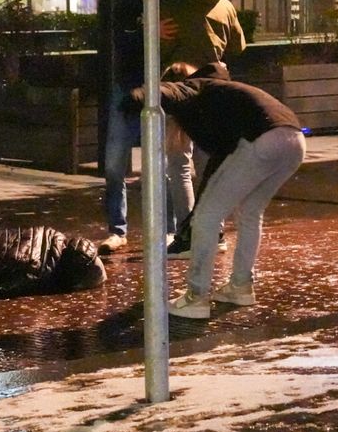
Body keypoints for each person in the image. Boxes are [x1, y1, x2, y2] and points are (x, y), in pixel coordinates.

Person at [125, 62, 306, 320]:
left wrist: (134, 98)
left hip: (262, 139)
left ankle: (196, 297)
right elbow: (220, 161)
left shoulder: (196, 88)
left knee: (206, 219)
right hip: (294, 139)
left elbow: (168, 92)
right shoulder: (221, 94)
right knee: (249, 212)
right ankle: (241, 286)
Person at [159, 0, 246, 257]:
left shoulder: (168, 5)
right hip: (216, 86)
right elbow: (239, 46)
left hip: (180, 85)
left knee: (179, 163)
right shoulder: (223, 4)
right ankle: (214, 229)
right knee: (209, 163)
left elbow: (155, 45)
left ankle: (187, 234)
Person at [97, 0, 171, 255]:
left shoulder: (170, 4)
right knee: (114, 163)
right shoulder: (126, 5)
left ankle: (168, 228)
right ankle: (118, 229)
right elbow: (123, 41)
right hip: (127, 88)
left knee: (163, 166)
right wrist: (150, 31)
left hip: (160, 88)